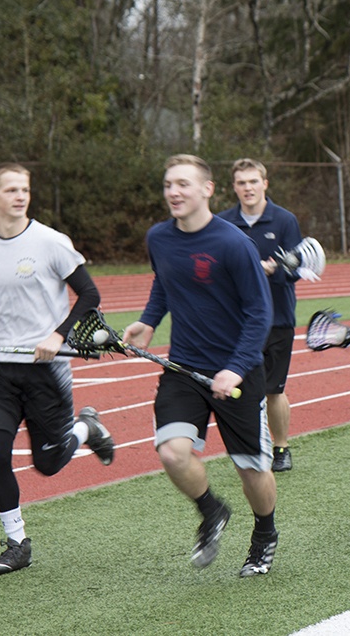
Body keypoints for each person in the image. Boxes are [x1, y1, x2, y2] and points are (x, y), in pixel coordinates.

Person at [0, 163, 115, 576]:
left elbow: (89, 294)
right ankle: (16, 542)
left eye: (25, 189)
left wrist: (58, 336)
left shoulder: (50, 242)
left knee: (47, 465)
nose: (20, 196)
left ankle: (87, 428)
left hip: (44, 368)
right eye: (10, 189)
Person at [125, 154, 279, 577]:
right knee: (173, 453)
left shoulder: (233, 243)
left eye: (183, 184)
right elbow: (165, 281)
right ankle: (212, 511)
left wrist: (236, 366)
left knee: (251, 468)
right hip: (184, 369)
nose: (173, 192)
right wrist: (148, 320)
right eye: (168, 184)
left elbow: (258, 312)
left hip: (237, 374)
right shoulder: (159, 237)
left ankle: (265, 534)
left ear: (207, 189)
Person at [216, 158, 304, 472]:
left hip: (278, 318)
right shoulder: (221, 222)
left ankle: (281, 448)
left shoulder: (285, 220)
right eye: (241, 183)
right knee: (240, 388)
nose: (248, 188)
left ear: (265, 183)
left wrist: (273, 269)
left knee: (273, 389)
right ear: (234, 187)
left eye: (253, 181)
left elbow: (298, 268)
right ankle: (250, 446)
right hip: (236, 322)